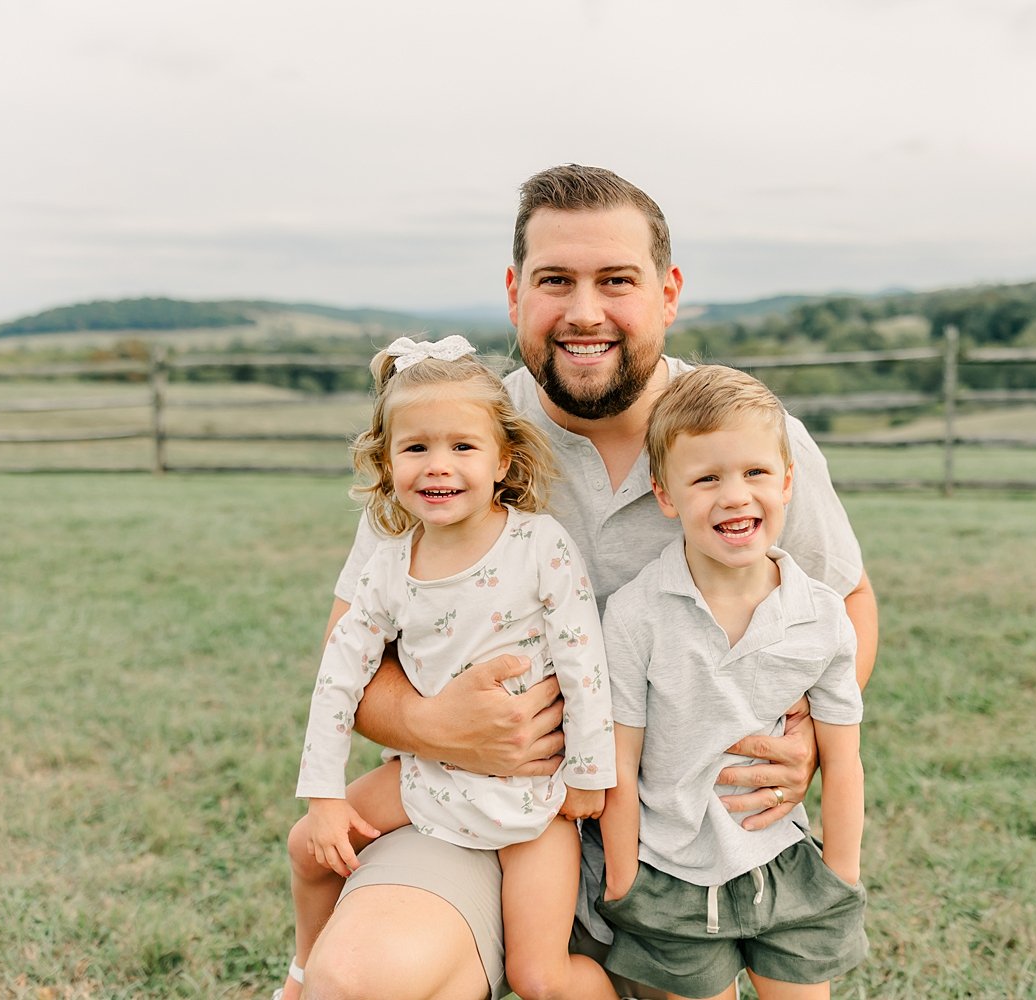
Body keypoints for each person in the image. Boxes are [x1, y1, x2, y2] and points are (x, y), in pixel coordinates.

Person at [300, 164, 878, 1000]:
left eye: (616, 281)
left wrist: (810, 744)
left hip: (689, 834)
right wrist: (433, 723)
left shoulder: (750, 440)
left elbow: (848, 605)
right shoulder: (454, 437)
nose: (583, 311)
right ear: (513, 293)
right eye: (554, 281)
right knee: (357, 985)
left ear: (668, 291)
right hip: (478, 810)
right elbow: (346, 655)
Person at [279, 336, 617, 1000]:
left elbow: (585, 663)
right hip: (426, 778)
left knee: (540, 976)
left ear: (502, 459)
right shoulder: (389, 569)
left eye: (462, 447)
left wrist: (588, 775)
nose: (439, 466)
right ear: (386, 462)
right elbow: (338, 681)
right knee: (306, 847)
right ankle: (299, 973)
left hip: (533, 801)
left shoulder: (538, 546)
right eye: (416, 448)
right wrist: (322, 796)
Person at [597, 365, 866, 999]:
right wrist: (621, 878)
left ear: (787, 481)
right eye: (707, 478)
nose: (735, 496)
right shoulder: (638, 613)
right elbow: (621, 756)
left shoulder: (821, 614)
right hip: (669, 873)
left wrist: (841, 874)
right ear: (666, 495)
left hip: (785, 863)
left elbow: (845, 758)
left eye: (754, 473)